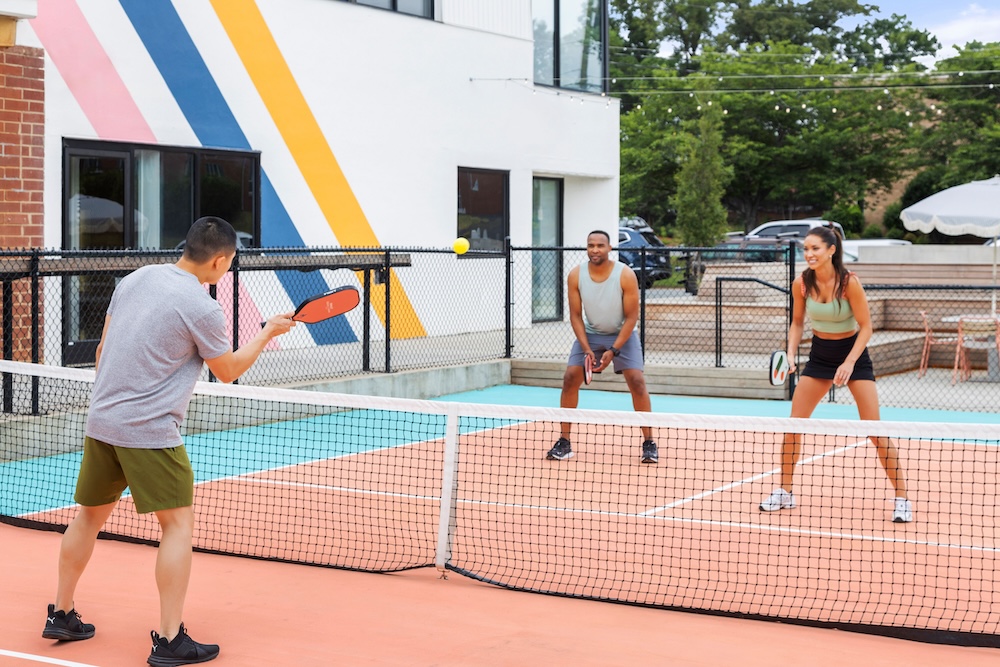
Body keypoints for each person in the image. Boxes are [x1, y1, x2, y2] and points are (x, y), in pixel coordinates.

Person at [42, 217, 296, 665]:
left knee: (87, 518)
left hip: (102, 421)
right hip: (151, 432)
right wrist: (266, 333)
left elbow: (102, 351)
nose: (227, 269)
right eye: (229, 263)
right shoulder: (203, 307)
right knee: (177, 526)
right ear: (219, 260)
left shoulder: (136, 278)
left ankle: (60, 614)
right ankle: (170, 639)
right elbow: (228, 370)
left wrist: (117, 404)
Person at [758, 225, 912, 523]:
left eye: (815, 248)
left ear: (831, 250)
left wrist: (850, 362)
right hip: (820, 357)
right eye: (806, 249)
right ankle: (785, 492)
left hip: (853, 356)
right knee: (793, 426)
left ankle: (902, 497)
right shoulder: (801, 283)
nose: (809, 254)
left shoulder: (849, 283)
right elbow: (798, 323)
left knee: (875, 432)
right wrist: (790, 353)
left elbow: (866, 326)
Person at [546, 230, 657, 463]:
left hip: (622, 334)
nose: (595, 249)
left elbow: (631, 317)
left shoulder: (625, 275)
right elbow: (575, 316)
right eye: (590, 245)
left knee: (637, 381)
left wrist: (614, 351)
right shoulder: (576, 275)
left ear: (609, 248)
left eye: (600, 245)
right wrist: (587, 348)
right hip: (591, 334)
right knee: (569, 378)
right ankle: (565, 442)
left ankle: (649, 442)